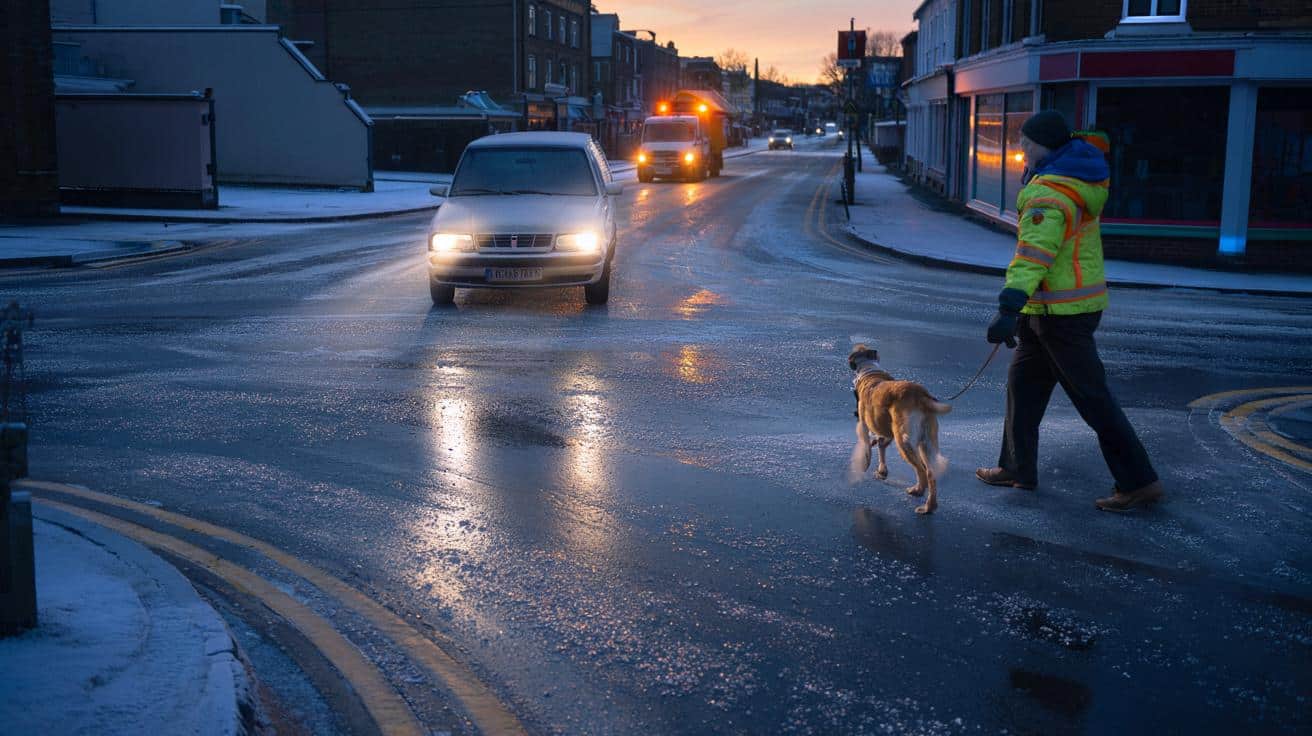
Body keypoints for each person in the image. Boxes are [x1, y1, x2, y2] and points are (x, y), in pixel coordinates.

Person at [976, 110, 1164, 512]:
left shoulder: (1049, 193)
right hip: (1050, 309)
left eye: (1025, 142)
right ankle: (1016, 468)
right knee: (1022, 390)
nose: (1020, 149)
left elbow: (1034, 256)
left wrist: (1008, 307)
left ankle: (1139, 482)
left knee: (1094, 399)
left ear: (1043, 145)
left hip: (1062, 315)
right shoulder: (1074, 180)